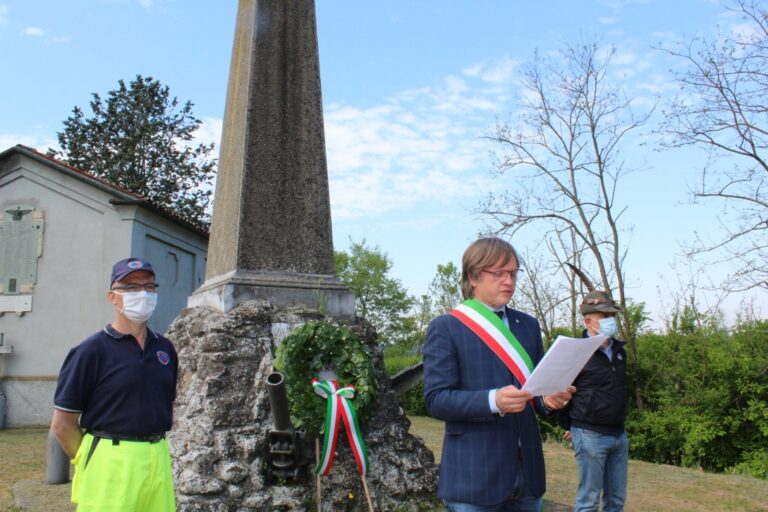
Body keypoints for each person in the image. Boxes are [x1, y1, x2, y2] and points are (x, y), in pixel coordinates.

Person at [423, 237, 575, 512]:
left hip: (527, 472)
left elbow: (535, 393)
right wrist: (493, 401)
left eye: (513, 273)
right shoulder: (447, 327)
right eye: (499, 273)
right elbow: (436, 399)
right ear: (473, 276)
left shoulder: (527, 325)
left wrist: (549, 400)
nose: (509, 281)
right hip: (474, 476)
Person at [49, 257, 178, 511]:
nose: (142, 293)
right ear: (113, 296)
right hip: (111, 459)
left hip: (158, 457)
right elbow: (62, 425)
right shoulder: (90, 351)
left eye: (149, 287)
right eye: (130, 287)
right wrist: (94, 460)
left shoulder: (165, 350)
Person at [556, 290, 628, 512]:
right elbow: (558, 394)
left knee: (616, 501)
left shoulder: (618, 351)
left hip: (619, 435)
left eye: (612, 317)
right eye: (604, 317)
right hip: (590, 436)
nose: (610, 321)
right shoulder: (574, 352)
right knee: (588, 501)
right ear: (588, 321)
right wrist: (571, 427)